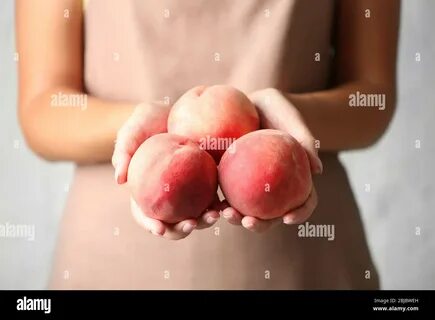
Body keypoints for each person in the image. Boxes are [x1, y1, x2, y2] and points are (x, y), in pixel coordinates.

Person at [16, 0, 399, 289]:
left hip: (307, 259)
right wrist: (146, 135)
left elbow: (373, 98)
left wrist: (287, 117)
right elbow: (41, 108)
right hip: (115, 260)